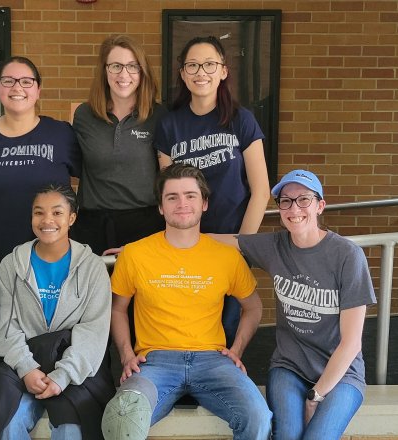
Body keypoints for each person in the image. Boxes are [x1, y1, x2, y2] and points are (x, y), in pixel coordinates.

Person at [101, 163, 271, 440]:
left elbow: (253, 306)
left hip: (213, 361)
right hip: (155, 362)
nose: (182, 203)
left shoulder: (227, 257)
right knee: (124, 415)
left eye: (190, 196)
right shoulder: (135, 254)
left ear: (204, 203)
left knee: (258, 416)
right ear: (160, 207)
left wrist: (237, 349)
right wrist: (126, 354)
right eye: (172, 197)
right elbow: (118, 308)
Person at [218, 169, 376, 439]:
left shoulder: (348, 256)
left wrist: (316, 395)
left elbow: (351, 344)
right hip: (289, 366)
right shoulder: (274, 246)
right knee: (287, 435)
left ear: (319, 206)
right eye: (286, 201)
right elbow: (223, 241)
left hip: (341, 373)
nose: (294, 208)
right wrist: (147, 247)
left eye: (303, 199)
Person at [0, 184, 114, 440]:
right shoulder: (12, 265)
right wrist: (27, 369)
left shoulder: (92, 267)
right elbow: (6, 325)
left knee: (73, 429)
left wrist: (62, 375)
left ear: (72, 217)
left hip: (75, 365)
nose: (47, 220)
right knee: (5, 425)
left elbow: (94, 329)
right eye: (39, 212)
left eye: (57, 213)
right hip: (23, 361)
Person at [154, 36, 270, 344]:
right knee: (186, 327)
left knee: (227, 327)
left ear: (223, 71)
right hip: (185, 245)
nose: (200, 72)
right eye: (192, 65)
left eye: (209, 64)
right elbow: (168, 191)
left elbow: (261, 190)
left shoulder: (241, 120)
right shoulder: (169, 125)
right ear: (182, 73)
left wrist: (243, 244)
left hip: (229, 245)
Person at [0, 56, 81, 264]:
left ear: (38, 89)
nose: (17, 87)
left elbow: (91, 178)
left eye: (26, 81)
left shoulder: (60, 134)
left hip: (52, 257)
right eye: (8, 81)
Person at [71, 34, 168, 256]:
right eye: (116, 66)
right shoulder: (84, 115)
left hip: (145, 224)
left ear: (142, 72)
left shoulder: (159, 116)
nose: (124, 74)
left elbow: (167, 174)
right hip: (91, 225)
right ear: (104, 71)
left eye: (132, 66)